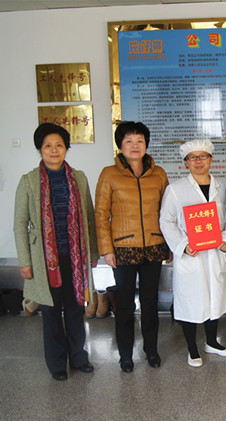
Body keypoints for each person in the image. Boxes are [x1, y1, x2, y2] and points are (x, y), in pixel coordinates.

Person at [14, 123, 98, 381]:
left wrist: (93, 252)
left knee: (75, 308)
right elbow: (20, 224)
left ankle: (79, 357)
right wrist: (25, 261)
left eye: (59, 145)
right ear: (40, 149)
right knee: (51, 311)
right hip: (45, 260)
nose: (54, 150)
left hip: (74, 257)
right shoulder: (29, 181)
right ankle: (57, 364)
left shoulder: (79, 178)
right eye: (48, 146)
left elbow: (89, 217)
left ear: (66, 148)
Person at [95, 121, 169, 373]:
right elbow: (101, 214)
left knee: (150, 303)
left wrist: (170, 244)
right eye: (129, 141)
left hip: (154, 246)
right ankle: (125, 354)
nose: (134, 145)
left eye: (139, 140)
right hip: (123, 249)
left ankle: (151, 350)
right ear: (120, 145)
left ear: (146, 144)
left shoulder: (159, 174)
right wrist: (106, 249)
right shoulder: (109, 174)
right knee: (124, 305)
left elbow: (167, 212)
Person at [160, 139, 226, 367]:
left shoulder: (223, 188)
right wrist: (183, 245)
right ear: (185, 162)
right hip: (192, 256)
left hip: (215, 253)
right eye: (192, 157)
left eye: (203, 156)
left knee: (215, 299)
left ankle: (212, 342)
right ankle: (192, 349)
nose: (198, 161)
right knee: (190, 302)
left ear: (211, 159)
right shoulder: (175, 190)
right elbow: (166, 221)